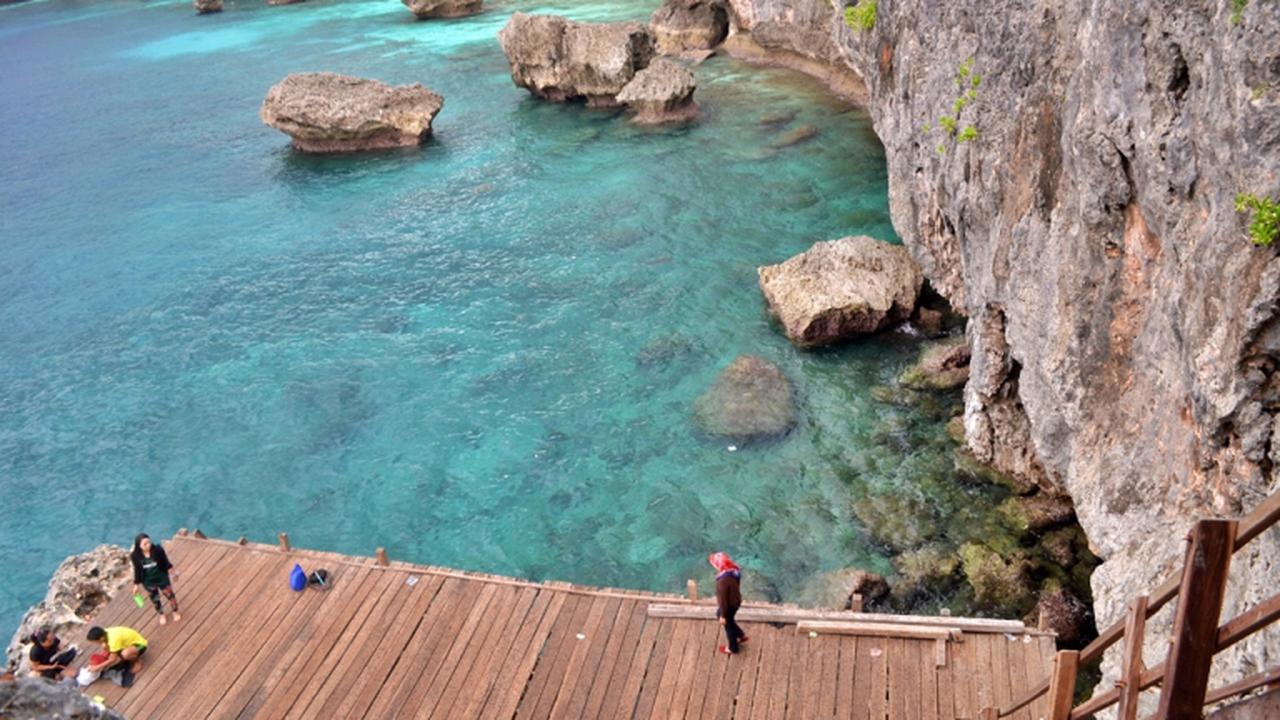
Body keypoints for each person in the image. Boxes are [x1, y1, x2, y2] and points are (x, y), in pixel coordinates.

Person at [130, 533, 181, 625]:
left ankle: (175, 611)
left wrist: (173, 573)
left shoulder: (158, 550)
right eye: (144, 544)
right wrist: (136, 585)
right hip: (148, 582)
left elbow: (166, 562)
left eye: (149, 542)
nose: (148, 545)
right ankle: (161, 614)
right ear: (139, 546)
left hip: (162, 578)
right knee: (155, 600)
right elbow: (137, 570)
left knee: (170, 596)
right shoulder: (135, 556)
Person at [709, 551, 748, 655]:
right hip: (736, 600)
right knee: (729, 620)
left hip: (729, 605)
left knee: (728, 625)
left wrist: (723, 616)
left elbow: (723, 601)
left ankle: (733, 647)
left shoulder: (722, 582)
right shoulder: (734, 570)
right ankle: (741, 635)